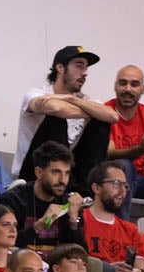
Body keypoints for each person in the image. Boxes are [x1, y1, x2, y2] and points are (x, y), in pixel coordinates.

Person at [16, 45, 117, 191]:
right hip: (32, 174)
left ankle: (84, 193)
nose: (85, 73)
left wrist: (72, 99)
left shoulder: (83, 100)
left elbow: (112, 116)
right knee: (56, 120)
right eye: (79, 66)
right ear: (60, 68)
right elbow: (56, 108)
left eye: (86, 68)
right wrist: (90, 111)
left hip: (69, 175)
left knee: (100, 124)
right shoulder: (37, 93)